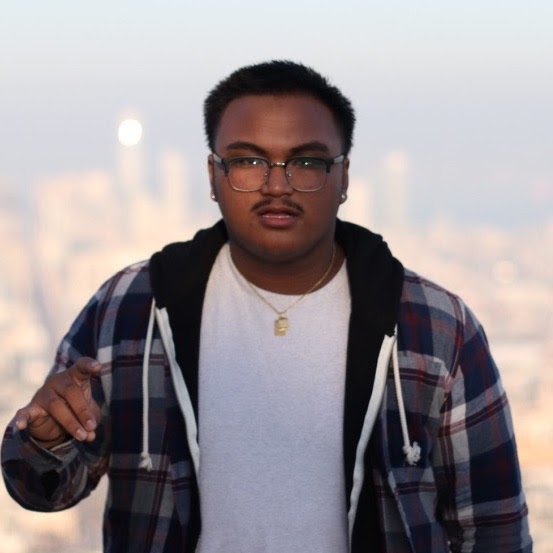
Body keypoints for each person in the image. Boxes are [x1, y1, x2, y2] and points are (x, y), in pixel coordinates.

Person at [2, 60, 532, 553]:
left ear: (344, 178)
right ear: (213, 176)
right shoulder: (131, 307)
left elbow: (495, 530)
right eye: (249, 161)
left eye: (306, 162)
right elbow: (42, 490)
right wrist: (47, 441)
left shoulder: (437, 328)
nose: (277, 185)